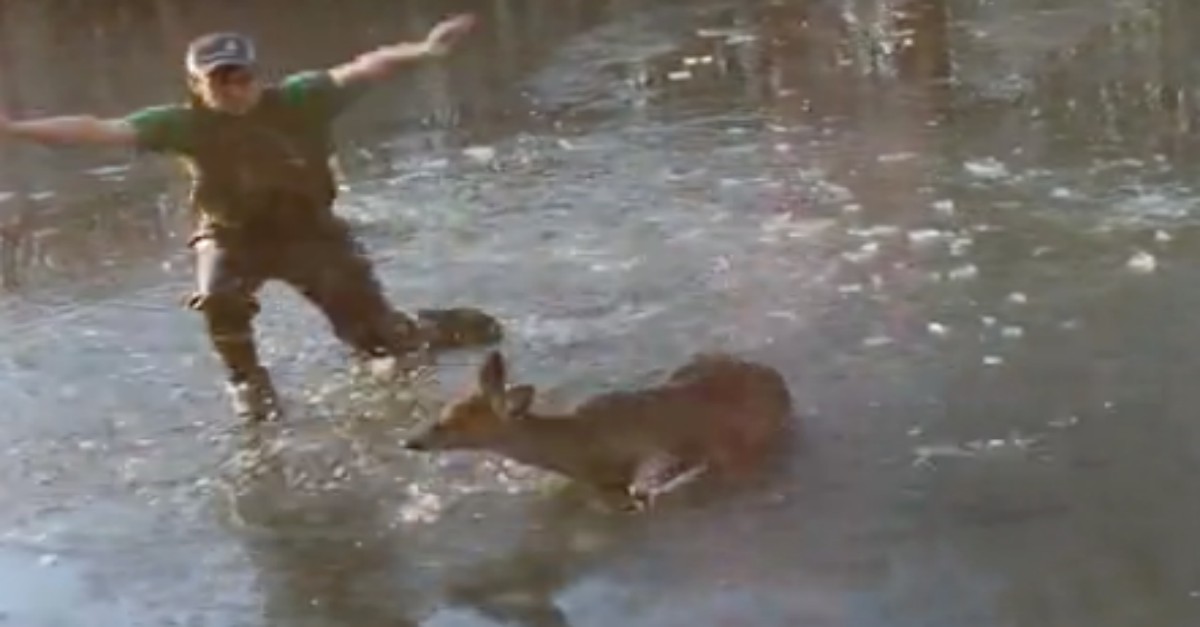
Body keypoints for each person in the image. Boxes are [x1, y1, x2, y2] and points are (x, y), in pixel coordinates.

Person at [0, 14, 483, 421]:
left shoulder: (300, 99)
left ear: (257, 74)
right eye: (219, 80)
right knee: (217, 298)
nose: (234, 90)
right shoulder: (181, 124)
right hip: (232, 237)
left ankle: (426, 329)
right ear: (197, 85)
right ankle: (249, 385)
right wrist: (17, 130)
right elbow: (99, 130)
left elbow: (365, 69)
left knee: (380, 346)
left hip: (309, 233)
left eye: (242, 77)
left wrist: (424, 50)